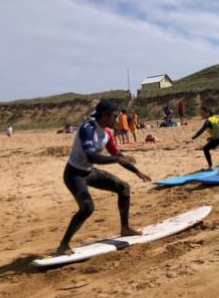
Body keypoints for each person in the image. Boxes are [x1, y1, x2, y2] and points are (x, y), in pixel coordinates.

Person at [55, 100, 151, 255]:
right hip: (74, 174)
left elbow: (117, 155)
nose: (117, 120)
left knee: (123, 187)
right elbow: (92, 156)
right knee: (87, 208)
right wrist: (118, 159)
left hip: (88, 171)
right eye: (115, 116)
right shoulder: (87, 129)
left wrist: (137, 172)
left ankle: (125, 228)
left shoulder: (107, 133)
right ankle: (63, 245)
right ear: (105, 116)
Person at [188, 104, 219, 169]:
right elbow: (218, 129)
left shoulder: (208, 121)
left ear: (208, 113)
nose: (201, 114)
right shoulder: (215, 118)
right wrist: (212, 137)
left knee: (205, 149)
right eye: (201, 113)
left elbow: (201, 131)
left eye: (203, 113)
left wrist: (192, 138)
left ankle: (210, 167)